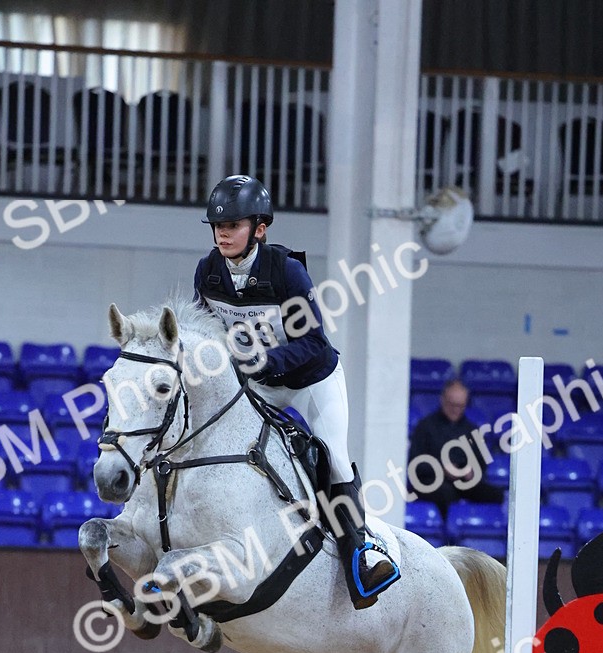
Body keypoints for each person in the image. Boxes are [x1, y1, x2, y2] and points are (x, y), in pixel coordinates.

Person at [193, 174, 399, 609]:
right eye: (218, 225)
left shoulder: (287, 272)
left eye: (233, 224)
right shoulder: (208, 272)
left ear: (260, 229)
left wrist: (269, 362)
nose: (223, 233)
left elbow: (313, 343)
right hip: (260, 386)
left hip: (311, 380)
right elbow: (203, 333)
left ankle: (360, 554)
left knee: (333, 456)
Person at [407, 378, 504, 517]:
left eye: (460, 406)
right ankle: (448, 535)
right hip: (431, 482)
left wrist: (471, 472)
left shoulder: (471, 429)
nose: (456, 410)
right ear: (443, 400)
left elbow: (482, 464)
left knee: (495, 495)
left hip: (464, 483)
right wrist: (443, 469)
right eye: (452, 404)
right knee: (445, 493)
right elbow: (415, 465)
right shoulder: (425, 426)